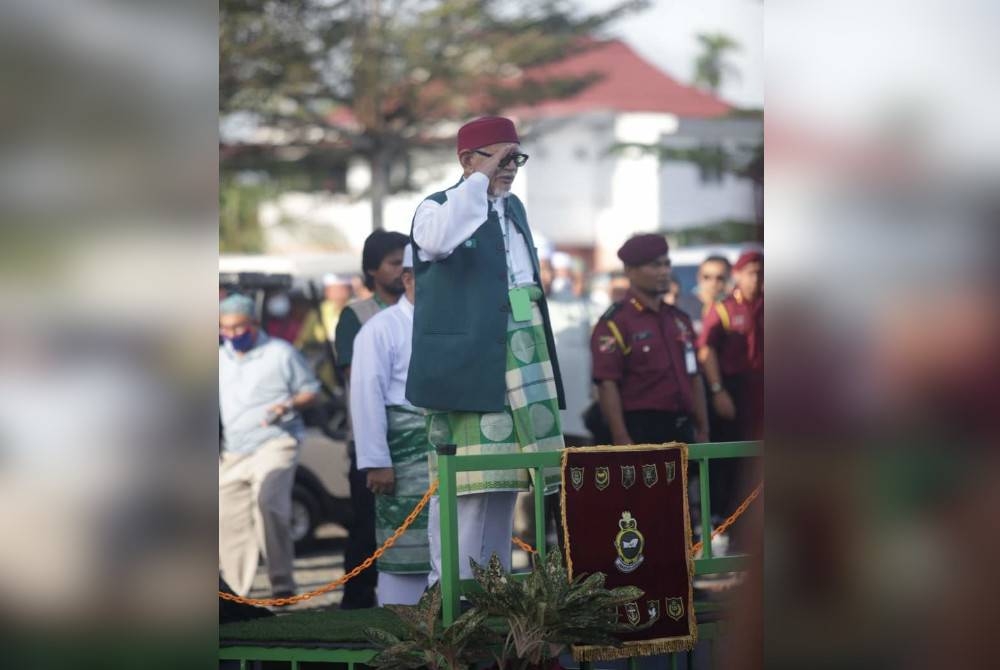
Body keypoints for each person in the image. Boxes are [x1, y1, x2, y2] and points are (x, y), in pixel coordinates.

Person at [407, 115, 566, 585]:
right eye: (499, 156)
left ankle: (493, 589)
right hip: (470, 364)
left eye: (515, 157)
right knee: (467, 486)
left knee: (508, 483)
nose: (510, 166)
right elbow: (435, 244)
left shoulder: (515, 208)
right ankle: (449, 589)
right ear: (466, 161)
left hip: (522, 355)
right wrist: (477, 182)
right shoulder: (436, 207)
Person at [219, 293, 320, 597]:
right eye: (225, 329)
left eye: (239, 328)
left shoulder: (280, 353)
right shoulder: (218, 356)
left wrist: (286, 405)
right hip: (233, 450)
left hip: (275, 442)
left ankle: (282, 585)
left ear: (254, 323)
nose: (233, 335)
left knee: (269, 505)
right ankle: (238, 593)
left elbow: (310, 391)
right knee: (228, 517)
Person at [349, 245, 431, 605]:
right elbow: (366, 395)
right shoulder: (380, 329)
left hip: (449, 452)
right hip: (402, 455)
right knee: (404, 552)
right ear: (408, 278)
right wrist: (377, 461)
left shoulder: (452, 326)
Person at [335, 229, 409, 609]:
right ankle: (357, 602)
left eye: (405, 262)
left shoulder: (420, 311)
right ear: (371, 269)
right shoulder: (357, 316)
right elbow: (358, 383)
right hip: (369, 442)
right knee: (366, 526)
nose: (402, 270)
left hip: (414, 444)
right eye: (394, 263)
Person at [590, 234, 710, 446]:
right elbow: (607, 384)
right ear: (630, 271)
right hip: (640, 430)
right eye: (655, 266)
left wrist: (703, 429)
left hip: (682, 427)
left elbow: (694, 376)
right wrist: (621, 438)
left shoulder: (678, 319)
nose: (664, 272)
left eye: (666, 264)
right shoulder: (615, 323)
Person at [697, 250, 764, 442]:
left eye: (761, 273)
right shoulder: (723, 308)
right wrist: (718, 391)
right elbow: (707, 350)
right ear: (737, 275)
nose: (756, 278)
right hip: (733, 388)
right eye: (751, 272)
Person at [692, 255, 732, 334]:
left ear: (729, 278)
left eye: (720, 278)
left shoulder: (736, 309)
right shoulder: (682, 307)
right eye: (707, 277)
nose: (713, 283)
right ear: (698, 277)